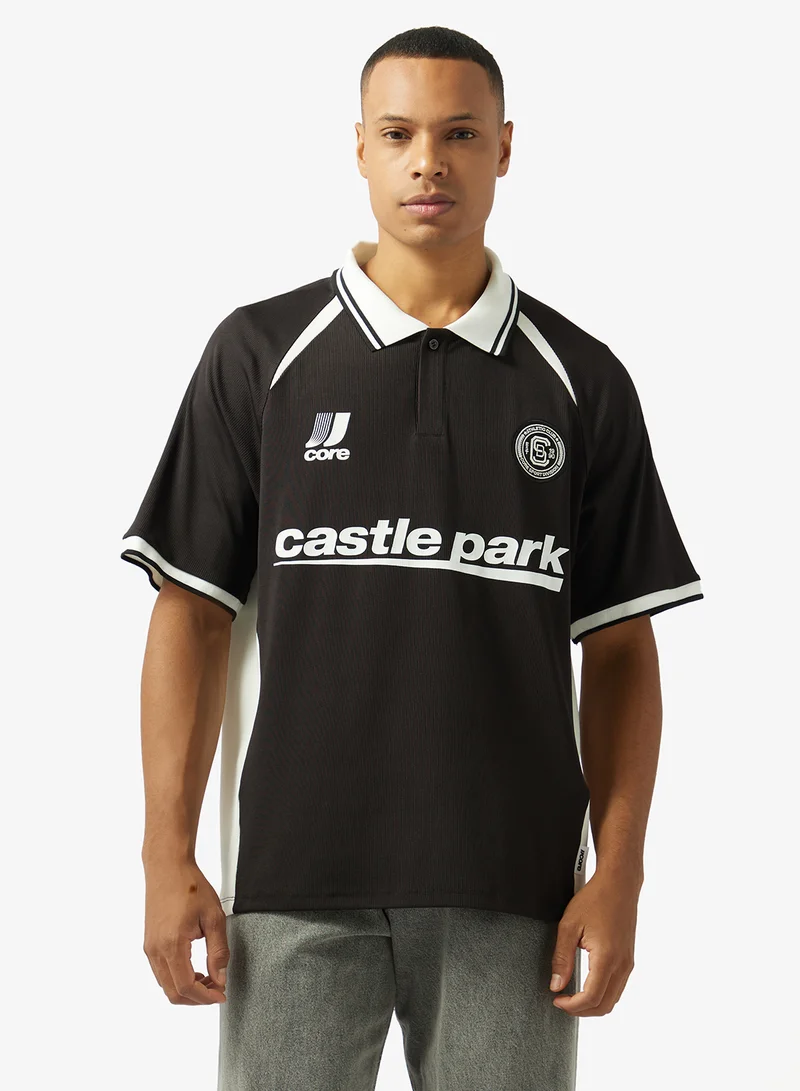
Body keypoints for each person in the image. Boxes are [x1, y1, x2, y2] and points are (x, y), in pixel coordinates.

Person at [120, 24, 703, 1091]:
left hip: (513, 890)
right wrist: (166, 851)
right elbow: (189, 611)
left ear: (504, 147)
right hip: (293, 878)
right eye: (398, 134)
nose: (427, 161)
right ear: (359, 147)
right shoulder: (260, 354)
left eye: (459, 133)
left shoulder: (581, 379)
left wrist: (618, 871)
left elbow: (621, 645)